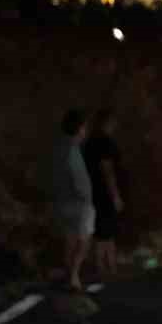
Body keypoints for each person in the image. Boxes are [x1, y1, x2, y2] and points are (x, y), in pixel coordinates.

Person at [52, 109, 94, 292]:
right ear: (78, 128)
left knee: (69, 238)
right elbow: (78, 178)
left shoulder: (59, 148)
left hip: (62, 200)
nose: (85, 131)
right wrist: (88, 197)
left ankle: (70, 274)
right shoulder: (73, 150)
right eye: (84, 127)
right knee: (84, 240)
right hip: (80, 202)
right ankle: (74, 274)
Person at [82, 108, 126, 280]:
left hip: (93, 192)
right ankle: (104, 268)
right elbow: (107, 170)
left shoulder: (89, 142)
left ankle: (109, 266)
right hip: (104, 194)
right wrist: (115, 195)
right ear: (108, 123)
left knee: (104, 231)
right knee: (104, 232)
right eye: (113, 123)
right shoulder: (104, 142)